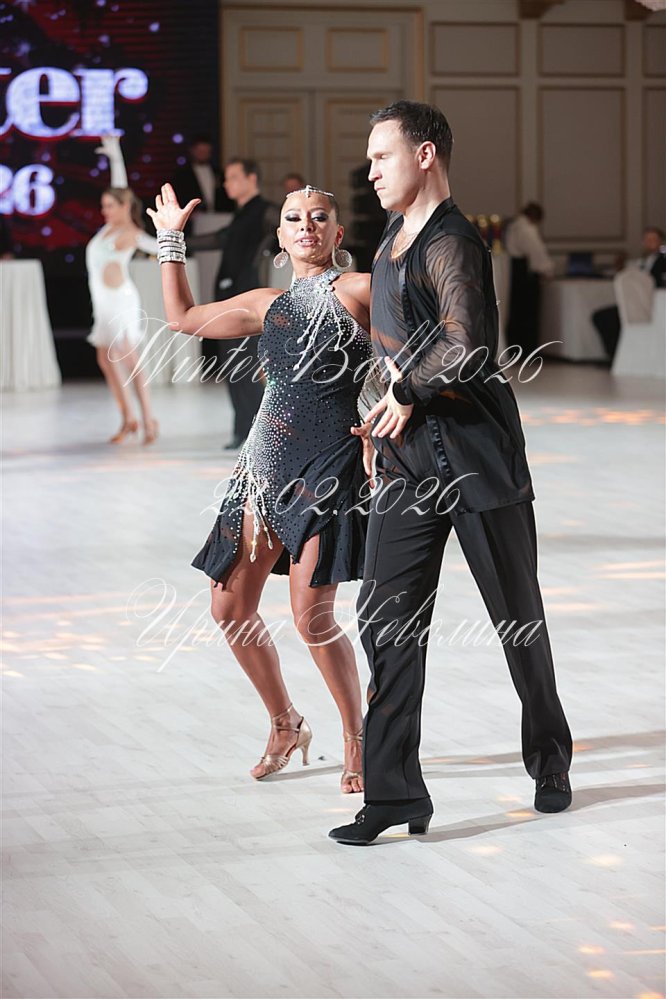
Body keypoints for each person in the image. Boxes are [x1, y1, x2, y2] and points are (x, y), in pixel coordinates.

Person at [328, 101, 573, 846]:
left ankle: (550, 759)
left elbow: (468, 344)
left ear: (426, 154)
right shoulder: (389, 243)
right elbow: (388, 349)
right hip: (406, 463)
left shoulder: (452, 240)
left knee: (517, 618)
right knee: (385, 620)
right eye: (370, 159)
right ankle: (394, 793)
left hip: (475, 461)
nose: (371, 171)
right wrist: (376, 412)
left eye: (383, 156)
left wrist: (405, 389)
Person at [147, 181, 371, 793]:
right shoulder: (267, 304)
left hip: (328, 466)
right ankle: (284, 722)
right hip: (263, 465)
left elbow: (414, 344)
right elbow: (182, 318)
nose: (306, 226)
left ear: (337, 233)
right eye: (294, 218)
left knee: (311, 616)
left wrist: (386, 415)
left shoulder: (361, 290)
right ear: (280, 237)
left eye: (319, 217)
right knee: (228, 606)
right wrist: (171, 240)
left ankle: (358, 735)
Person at [188, 158, 280, 449]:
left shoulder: (265, 211)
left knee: (245, 366)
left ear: (251, 179)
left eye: (232, 177)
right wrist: (175, 241)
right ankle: (243, 429)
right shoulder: (242, 214)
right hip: (231, 297)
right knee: (234, 366)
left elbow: (287, 230)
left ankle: (261, 432)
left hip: (246, 298)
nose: (226, 183)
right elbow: (221, 239)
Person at [86, 136, 159, 445]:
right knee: (105, 359)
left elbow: (160, 247)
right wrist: (114, 154)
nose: (104, 210)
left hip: (121, 302)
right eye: (103, 205)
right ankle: (128, 417)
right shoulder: (107, 230)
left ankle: (148, 419)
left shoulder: (132, 233)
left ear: (124, 206)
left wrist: (173, 235)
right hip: (103, 303)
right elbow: (119, 187)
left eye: (110, 206)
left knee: (129, 360)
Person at [592, 226, 666, 362]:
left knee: (606, 318)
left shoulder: (663, 261)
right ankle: (615, 354)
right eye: (647, 239)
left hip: (649, 307)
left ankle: (616, 356)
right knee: (601, 316)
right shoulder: (641, 260)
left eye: (653, 239)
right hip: (636, 305)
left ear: (661, 241)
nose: (650, 243)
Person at [505, 202, 555, 356]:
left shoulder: (512, 227)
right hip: (526, 275)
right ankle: (527, 349)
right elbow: (537, 252)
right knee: (528, 313)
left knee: (516, 311)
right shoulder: (526, 230)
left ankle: (515, 347)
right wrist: (547, 270)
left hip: (514, 272)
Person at [171, 134, 235, 229]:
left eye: (206, 152)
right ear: (192, 151)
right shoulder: (182, 176)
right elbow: (179, 198)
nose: (203, 154)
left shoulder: (218, 173)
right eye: (200, 151)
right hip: (193, 223)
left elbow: (227, 197)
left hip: (219, 220)